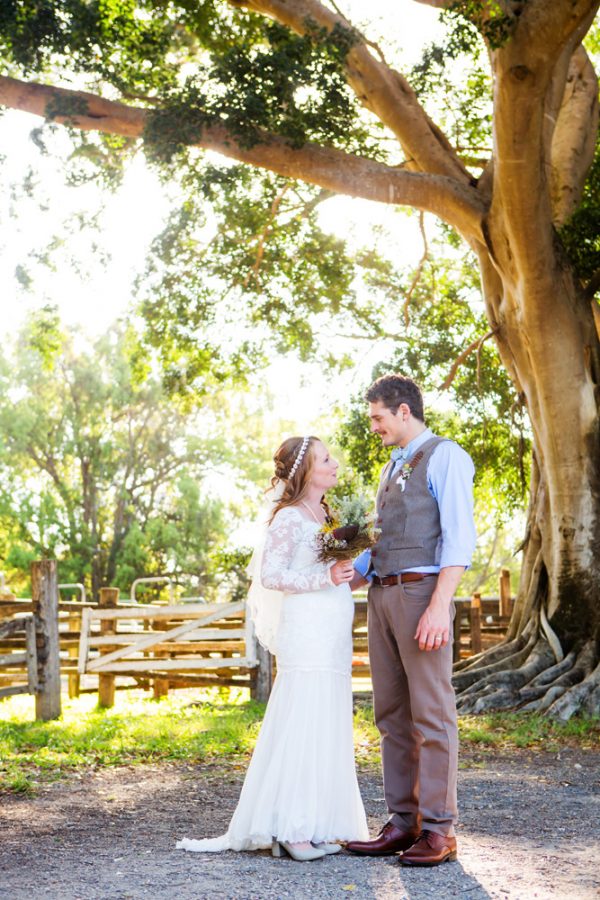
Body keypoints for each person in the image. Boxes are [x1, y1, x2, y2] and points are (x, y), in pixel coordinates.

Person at [177, 436, 368, 862]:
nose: (335, 463)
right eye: (326, 459)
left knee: (326, 719)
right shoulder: (288, 518)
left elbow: (332, 571)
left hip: (334, 627)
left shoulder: (328, 515)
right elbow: (272, 575)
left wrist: (354, 571)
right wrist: (324, 579)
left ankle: (316, 824)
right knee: (303, 717)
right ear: (306, 471)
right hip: (307, 629)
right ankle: (291, 830)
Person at [346, 374, 476, 867]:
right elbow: (385, 536)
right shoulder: (391, 465)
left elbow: (459, 538)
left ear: (404, 411)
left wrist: (440, 604)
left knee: (432, 714)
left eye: (378, 417)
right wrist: (346, 572)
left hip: (421, 595)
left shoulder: (446, 456)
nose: (374, 426)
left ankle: (440, 829)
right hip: (381, 595)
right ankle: (404, 821)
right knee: (391, 715)